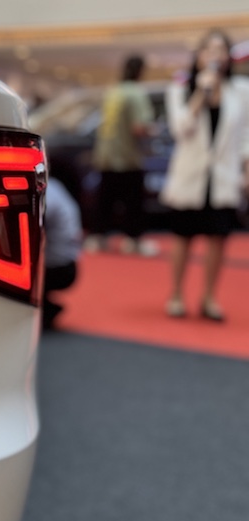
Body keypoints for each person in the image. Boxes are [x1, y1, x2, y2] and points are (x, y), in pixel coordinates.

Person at [160, 30, 249, 321]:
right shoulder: (180, 90)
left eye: (221, 50)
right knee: (183, 236)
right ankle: (176, 294)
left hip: (223, 176)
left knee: (218, 239)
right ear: (198, 56)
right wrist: (201, 93)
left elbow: (246, 136)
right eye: (209, 50)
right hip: (190, 175)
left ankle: (209, 297)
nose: (215, 55)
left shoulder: (241, 90)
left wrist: (246, 170)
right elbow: (181, 129)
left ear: (228, 57)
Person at [90, 54, 157, 255]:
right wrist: (153, 131)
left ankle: (97, 238)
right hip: (127, 157)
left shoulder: (113, 91)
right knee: (133, 201)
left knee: (105, 200)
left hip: (106, 155)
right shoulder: (136, 93)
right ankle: (133, 241)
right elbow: (139, 127)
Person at [43, 167, 83, 330]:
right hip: (68, 262)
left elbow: (38, 218)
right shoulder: (55, 185)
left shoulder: (47, 191)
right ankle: (46, 307)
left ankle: (46, 309)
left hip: (58, 268)